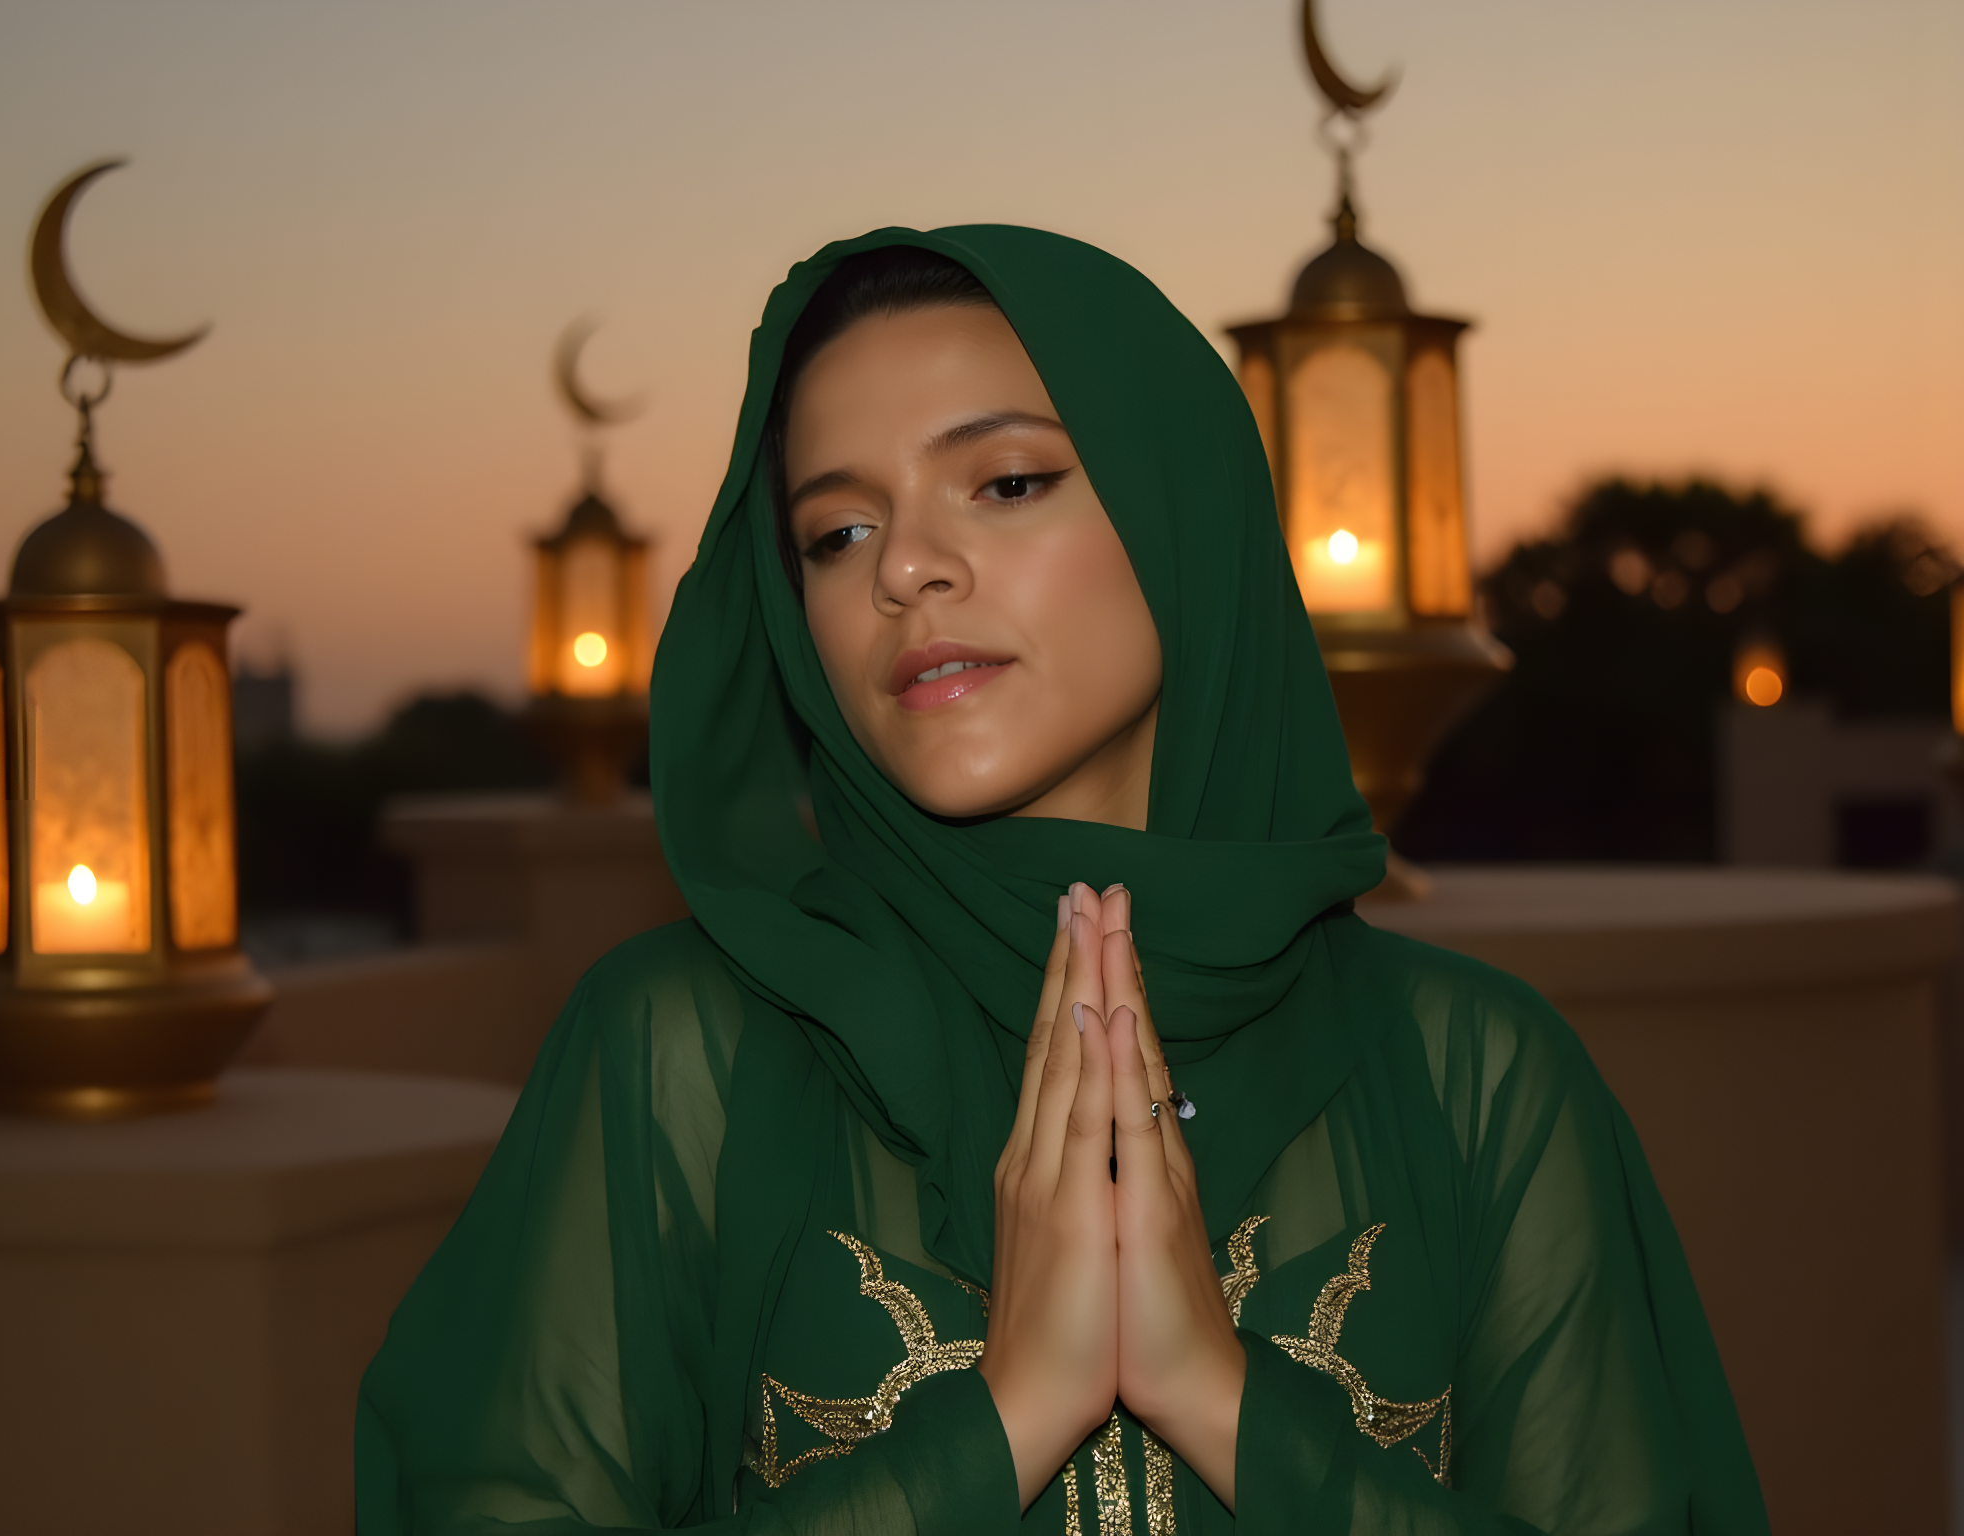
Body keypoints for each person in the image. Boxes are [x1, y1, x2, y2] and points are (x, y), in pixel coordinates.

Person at [356, 229, 1769, 1534]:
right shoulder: (681, 1050)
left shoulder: (1476, 1074)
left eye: (1008, 483)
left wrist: (1224, 1403)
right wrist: (1003, 1421)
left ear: (1182, 516)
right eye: (837, 532)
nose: (907, 569)